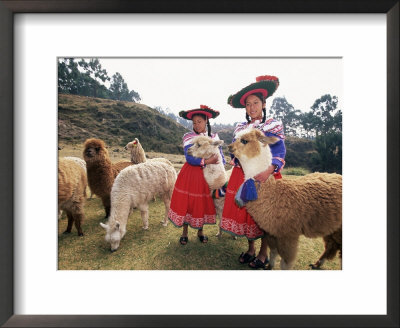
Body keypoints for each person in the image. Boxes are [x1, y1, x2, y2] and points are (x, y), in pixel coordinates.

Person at [220, 75, 286, 269]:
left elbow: (279, 150)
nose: (252, 107)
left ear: (264, 104)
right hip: (243, 176)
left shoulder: (270, 126)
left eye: (256, 103)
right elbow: (237, 152)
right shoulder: (241, 129)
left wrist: (269, 170)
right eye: (248, 104)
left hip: (265, 176)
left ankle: (263, 253)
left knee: (264, 215)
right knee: (248, 215)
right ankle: (250, 249)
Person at [168, 105, 225, 245]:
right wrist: (207, 161)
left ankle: (201, 231)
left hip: (207, 176)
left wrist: (220, 166)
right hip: (191, 174)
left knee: (202, 203)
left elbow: (220, 155)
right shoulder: (189, 137)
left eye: (199, 121)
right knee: (188, 203)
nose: (196, 125)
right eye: (194, 122)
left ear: (206, 121)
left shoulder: (214, 137)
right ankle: (185, 232)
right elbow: (190, 157)